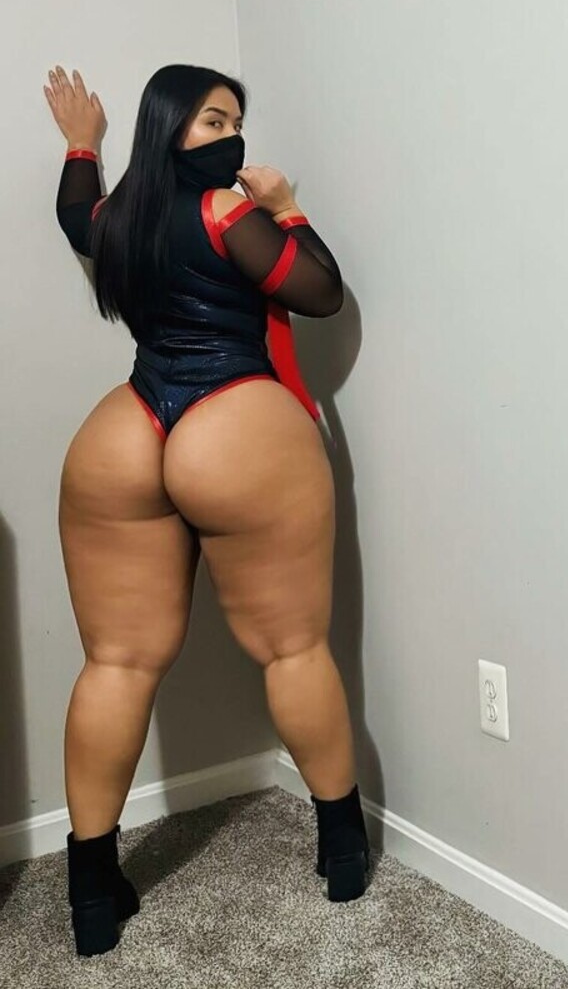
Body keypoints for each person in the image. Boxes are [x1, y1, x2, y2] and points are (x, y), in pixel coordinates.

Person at [45, 63, 370, 957]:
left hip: (127, 427)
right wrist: (287, 207)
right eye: (214, 121)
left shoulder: (119, 222)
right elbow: (318, 292)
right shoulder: (227, 213)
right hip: (234, 417)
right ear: (172, 130)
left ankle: (91, 892)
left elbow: (75, 214)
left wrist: (81, 146)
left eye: (234, 121)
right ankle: (343, 850)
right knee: (294, 648)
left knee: (114, 662)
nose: (232, 137)